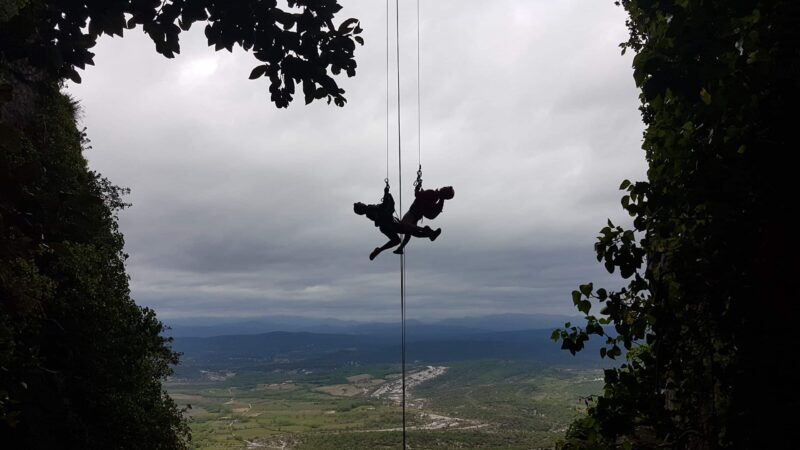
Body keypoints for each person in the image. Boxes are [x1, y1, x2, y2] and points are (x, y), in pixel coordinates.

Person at [354, 185, 441, 260]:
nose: (361, 202)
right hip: (390, 224)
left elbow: (382, 208)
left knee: (399, 238)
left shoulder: (369, 212)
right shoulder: (370, 209)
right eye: (359, 204)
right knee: (408, 229)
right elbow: (383, 207)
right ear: (361, 208)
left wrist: (386, 195)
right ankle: (428, 232)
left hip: (386, 226)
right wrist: (386, 193)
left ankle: (380, 250)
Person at [393, 185, 454, 255]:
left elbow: (417, 195)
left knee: (404, 225)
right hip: (417, 214)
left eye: (445, 187)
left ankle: (428, 231)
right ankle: (401, 248)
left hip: (413, 212)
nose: (443, 187)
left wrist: (417, 188)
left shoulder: (432, 193)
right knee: (409, 232)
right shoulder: (436, 198)